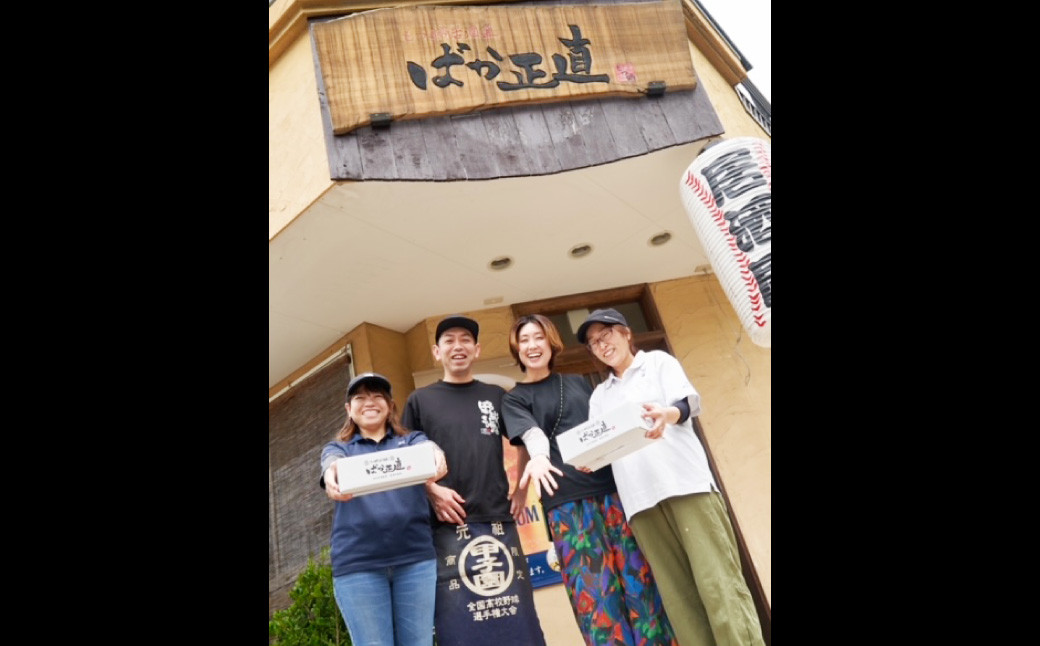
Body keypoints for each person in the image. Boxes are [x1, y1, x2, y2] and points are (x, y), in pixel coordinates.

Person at [576, 308, 766, 646]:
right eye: (593, 343)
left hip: (686, 486)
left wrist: (669, 413)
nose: (601, 345)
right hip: (641, 504)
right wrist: (590, 460)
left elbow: (688, 403)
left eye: (606, 335)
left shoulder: (658, 363)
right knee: (679, 598)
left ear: (626, 333)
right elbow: (602, 446)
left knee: (717, 582)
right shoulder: (599, 396)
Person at [500, 314, 679, 646]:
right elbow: (531, 435)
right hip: (566, 504)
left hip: (615, 493)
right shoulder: (513, 399)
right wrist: (533, 466)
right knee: (596, 599)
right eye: (524, 340)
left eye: (538, 337)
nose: (532, 345)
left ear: (551, 342)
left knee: (641, 585)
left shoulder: (581, 383)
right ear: (516, 349)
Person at [401, 315, 548, 646]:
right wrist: (432, 489)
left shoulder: (495, 395)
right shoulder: (420, 401)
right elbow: (407, 461)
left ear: (477, 349)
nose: (458, 346)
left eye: (465, 339)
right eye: (449, 340)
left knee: (515, 614)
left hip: (497, 518)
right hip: (446, 524)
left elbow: (523, 439)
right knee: (461, 623)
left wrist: (522, 490)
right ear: (436, 352)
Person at [319, 372, 448, 646]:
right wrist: (331, 475)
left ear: (390, 405)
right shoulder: (339, 449)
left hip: (415, 561)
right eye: (360, 397)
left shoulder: (411, 441)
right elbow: (331, 464)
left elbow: (428, 448)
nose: (370, 402)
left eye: (378, 396)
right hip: (358, 567)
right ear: (349, 409)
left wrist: (437, 454)